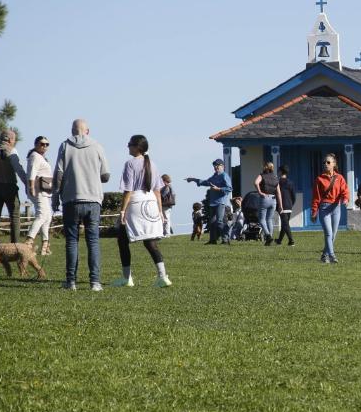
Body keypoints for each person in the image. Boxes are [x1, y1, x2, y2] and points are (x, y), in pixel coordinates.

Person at [52, 119, 110, 291]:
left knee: (72, 241)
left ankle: (71, 282)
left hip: (71, 199)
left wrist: (56, 196)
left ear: (72, 131)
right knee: (93, 241)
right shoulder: (98, 146)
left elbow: (59, 174)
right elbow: (106, 175)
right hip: (93, 199)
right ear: (88, 131)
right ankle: (95, 282)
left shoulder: (64, 146)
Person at [110, 135, 171, 288]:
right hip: (151, 203)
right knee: (150, 242)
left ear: (138, 147)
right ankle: (163, 276)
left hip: (136, 203)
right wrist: (160, 211)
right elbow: (157, 191)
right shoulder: (153, 164)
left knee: (123, 241)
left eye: (130, 144)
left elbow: (128, 190)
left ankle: (127, 278)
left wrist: (122, 211)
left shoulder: (130, 164)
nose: (128, 146)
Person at [0, 130, 30, 243]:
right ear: (10, 140)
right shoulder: (11, 151)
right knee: (15, 217)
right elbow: (18, 169)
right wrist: (27, 183)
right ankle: (15, 245)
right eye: (14, 139)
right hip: (9, 186)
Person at [311, 153, 349, 263]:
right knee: (328, 233)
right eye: (324, 163)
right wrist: (314, 212)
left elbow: (344, 191)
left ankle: (324, 255)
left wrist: (345, 199)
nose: (326, 164)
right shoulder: (319, 179)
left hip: (336, 208)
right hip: (324, 208)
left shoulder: (340, 178)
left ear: (334, 164)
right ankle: (332, 255)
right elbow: (315, 197)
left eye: (328, 162)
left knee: (334, 234)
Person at [185, 159, 233, 244]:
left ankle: (225, 240)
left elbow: (229, 188)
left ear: (222, 166)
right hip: (213, 202)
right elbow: (206, 182)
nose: (215, 167)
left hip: (220, 202)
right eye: (214, 166)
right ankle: (212, 240)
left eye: (217, 165)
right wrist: (193, 179)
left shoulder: (224, 175)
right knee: (212, 223)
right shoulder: (214, 176)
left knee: (219, 222)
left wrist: (218, 189)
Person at [25, 135, 54, 256]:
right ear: (36, 144)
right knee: (42, 215)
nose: (45, 146)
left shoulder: (41, 157)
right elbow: (32, 173)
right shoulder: (35, 156)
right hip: (38, 190)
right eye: (42, 144)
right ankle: (28, 242)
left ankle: (45, 246)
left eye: (47, 144)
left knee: (47, 217)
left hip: (45, 190)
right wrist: (31, 187)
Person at [254, 162, 282, 246]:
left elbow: (256, 183)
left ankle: (268, 236)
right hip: (273, 199)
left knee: (261, 219)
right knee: (269, 219)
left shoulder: (262, 175)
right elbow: (278, 192)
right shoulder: (275, 177)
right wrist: (280, 205)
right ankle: (269, 239)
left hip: (265, 198)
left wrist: (260, 192)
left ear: (265, 167)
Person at [275, 165, 296, 246]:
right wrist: (291, 204)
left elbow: (275, 194)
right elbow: (293, 196)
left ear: (280, 172)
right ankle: (279, 241)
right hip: (289, 205)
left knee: (285, 223)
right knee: (285, 223)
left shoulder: (277, 182)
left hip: (281, 205)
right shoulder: (290, 182)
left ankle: (291, 241)